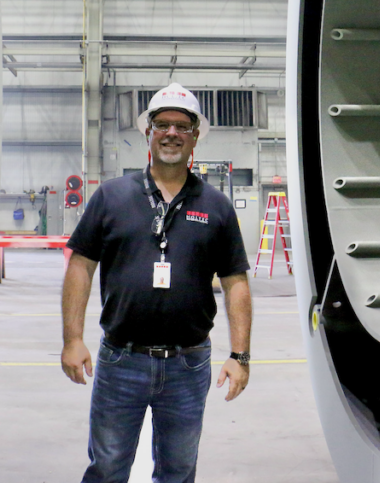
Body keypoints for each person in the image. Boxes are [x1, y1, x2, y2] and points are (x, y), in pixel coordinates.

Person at [61, 83, 253, 483]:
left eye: (182, 126)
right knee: (108, 467)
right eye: (162, 124)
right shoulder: (111, 197)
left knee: (178, 471)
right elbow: (80, 266)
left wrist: (240, 355)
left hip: (188, 364)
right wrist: (72, 339)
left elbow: (235, 282)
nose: (171, 133)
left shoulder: (215, 206)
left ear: (195, 136)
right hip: (120, 361)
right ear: (148, 132)